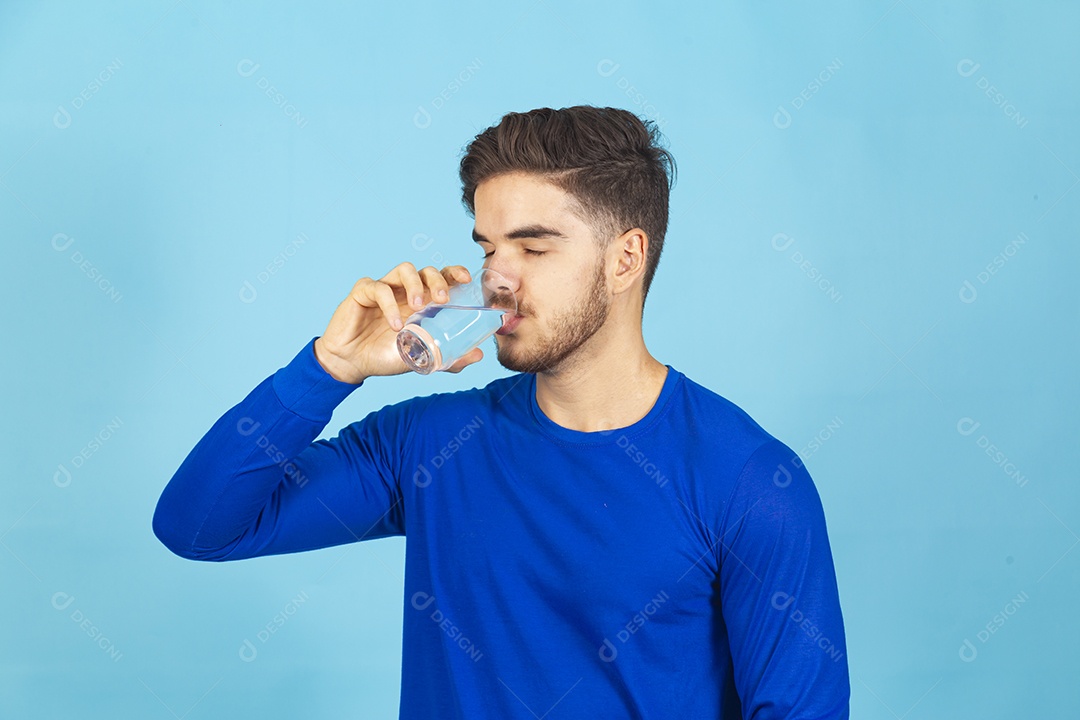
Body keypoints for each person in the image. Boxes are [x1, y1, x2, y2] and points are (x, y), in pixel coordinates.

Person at [153, 105, 850, 718]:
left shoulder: (750, 481)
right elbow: (200, 526)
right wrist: (330, 369)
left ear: (625, 258)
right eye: (488, 246)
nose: (497, 277)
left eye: (533, 246)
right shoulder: (428, 445)